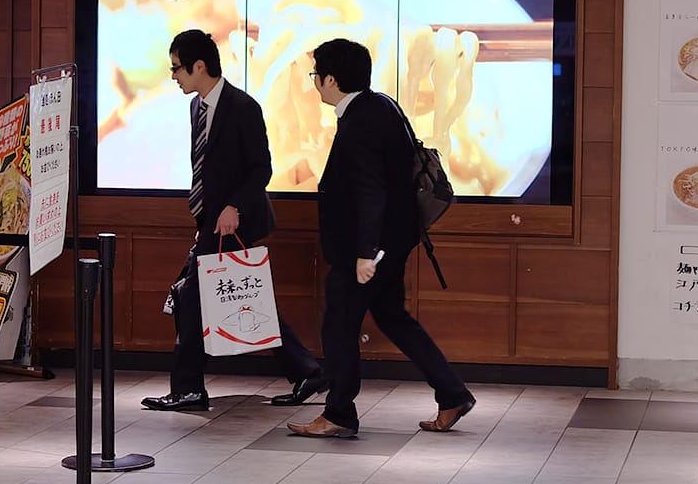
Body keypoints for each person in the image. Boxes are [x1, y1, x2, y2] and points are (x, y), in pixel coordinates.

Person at [287, 38, 475, 439]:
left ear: (331, 79)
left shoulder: (361, 121)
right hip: (391, 240)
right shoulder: (381, 105)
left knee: (338, 325)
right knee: (393, 317)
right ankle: (452, 393)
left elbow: (372, 190)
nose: (314, 81)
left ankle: (338, 413)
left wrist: (366, 252)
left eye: (316, 74)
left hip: (369, 248)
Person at [141, 29, 328, 411]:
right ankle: (307, 371)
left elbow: (262, 168)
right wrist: (205, 215)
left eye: (177, 68)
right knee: (242, 301)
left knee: (193, 299)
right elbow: (206, 169)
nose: (173, 76)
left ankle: (189, 388)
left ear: (199, 66)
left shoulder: (243, 107)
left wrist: (233, 207)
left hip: (236, 224)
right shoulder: (196, 107)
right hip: (211, 223)